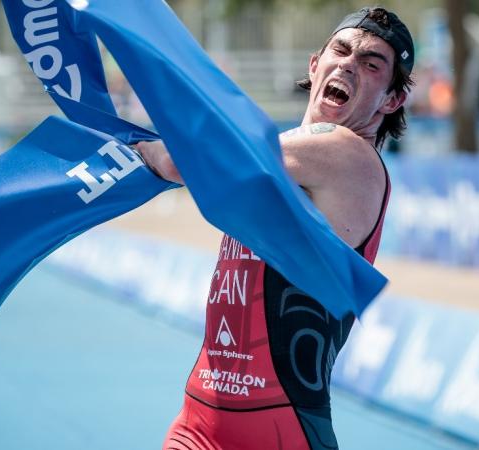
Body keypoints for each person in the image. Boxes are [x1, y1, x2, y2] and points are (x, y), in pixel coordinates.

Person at [137, 6, 414, 449]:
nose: (348, 63)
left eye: (371, 63)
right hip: (198, 419)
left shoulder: (349, 155)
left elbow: (196, 159)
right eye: (341, 51)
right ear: (314, 64)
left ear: (391, 100)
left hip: (279, 430)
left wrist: (139, 152)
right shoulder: (290, 161)